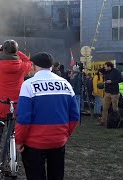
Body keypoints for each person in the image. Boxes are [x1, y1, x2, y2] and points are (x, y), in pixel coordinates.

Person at [15, 52, 80, 180]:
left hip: (34, 142)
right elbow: (75, 115)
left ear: (33, 66)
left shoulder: (28, 84)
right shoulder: (65, 83)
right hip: (58, 140)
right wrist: (66, 134)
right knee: (56, 175)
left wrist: (19, 141)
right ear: (51, 66)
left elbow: (23, 118)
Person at [0, 39, 31, 119]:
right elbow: (28, 61)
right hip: (15, 104)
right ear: (15, 51)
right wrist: (16, 51)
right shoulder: (23, 66)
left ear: (3, 50)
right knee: (14, 127)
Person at [99, 62, 123, 127]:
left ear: (109, 66)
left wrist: (112, 81)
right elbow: (100, 70)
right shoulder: (105, 71)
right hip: (107, 92)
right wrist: (104, 68)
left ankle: (117, 121)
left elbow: (121, 80)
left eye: (106, 66)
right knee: (104, 107)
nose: (104, 68)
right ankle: (103, 121)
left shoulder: (116, 71)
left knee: (115, 108)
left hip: (114, 92)